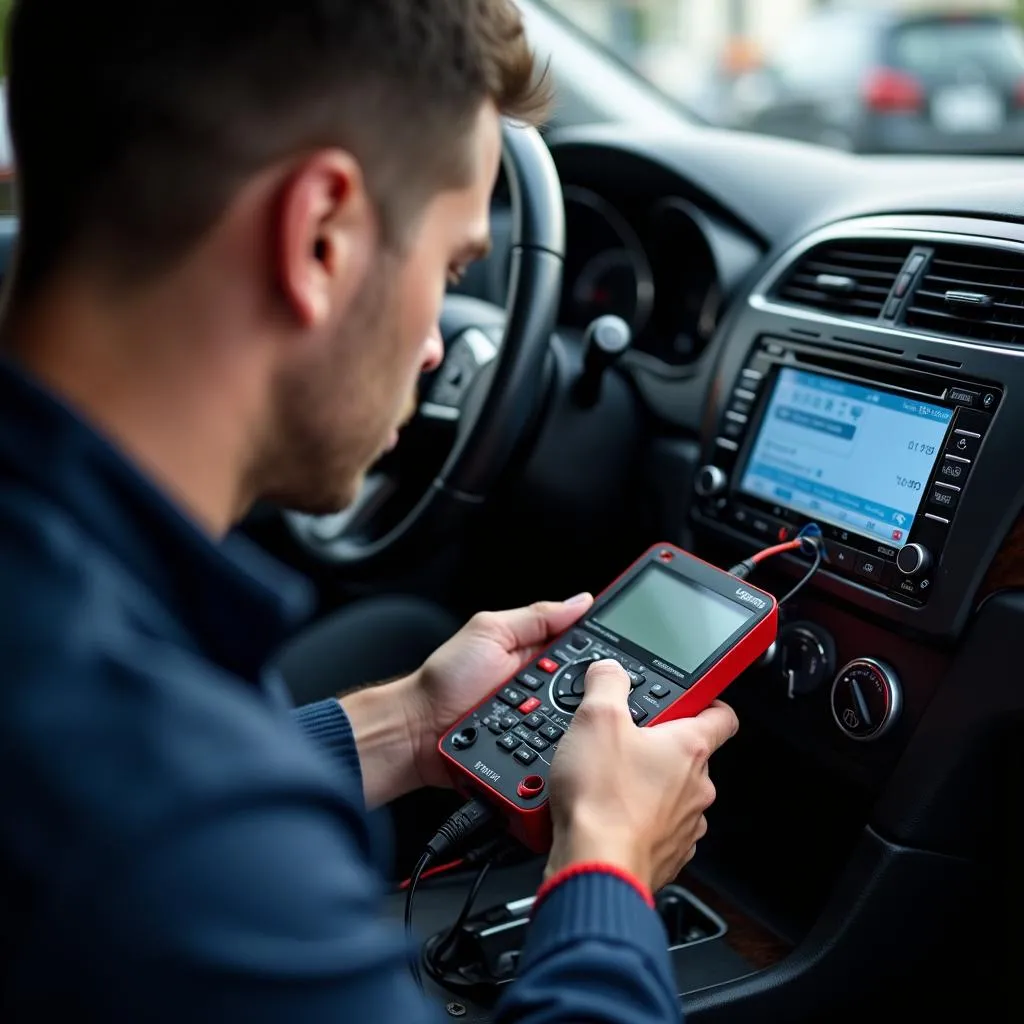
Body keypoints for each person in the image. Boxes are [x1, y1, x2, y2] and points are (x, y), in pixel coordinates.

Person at [0, 1, 739, 1021]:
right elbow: (179, 808)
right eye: (448, 269)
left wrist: (408, 728)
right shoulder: (174, 824)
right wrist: (606, 872)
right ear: (319, 237)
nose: (438, 347)